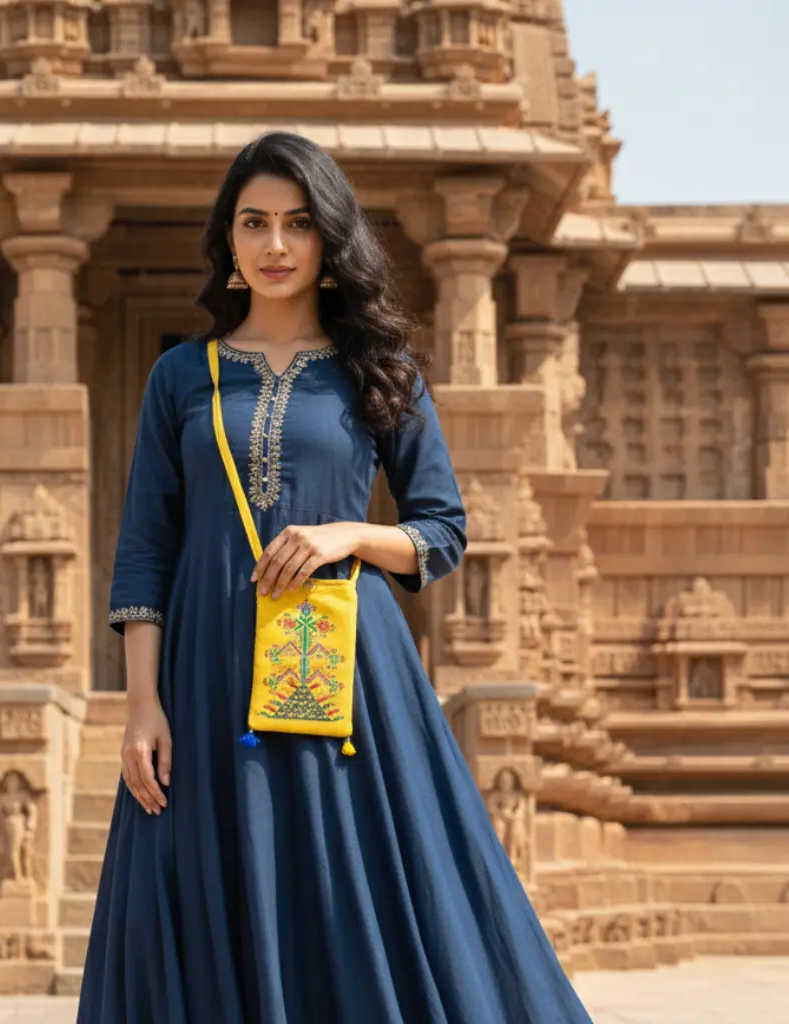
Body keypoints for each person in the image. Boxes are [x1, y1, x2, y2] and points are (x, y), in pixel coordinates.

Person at [77, 131, 592, 1024]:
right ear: (228, 241)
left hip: (344, 674)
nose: (276, 245)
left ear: (330, 239)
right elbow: (145, 550)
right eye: (255, 223)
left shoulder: (380, 371)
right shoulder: (178, 379)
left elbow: (442, 531)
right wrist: (142, 705)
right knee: (211, 888)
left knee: (353, 892)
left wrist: (348, 533)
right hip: (205, 679)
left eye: (299, 223)